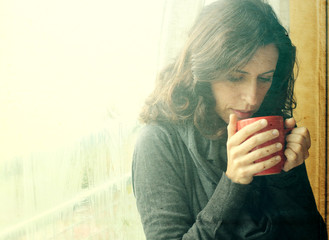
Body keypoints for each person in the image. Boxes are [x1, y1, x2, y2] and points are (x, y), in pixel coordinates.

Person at [132, 0, 328, 239]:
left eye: (265, 78)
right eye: (236, 77)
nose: (251, 99)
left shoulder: (273, 126)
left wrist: (289, 177)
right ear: (204, 74)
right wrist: (233, 183)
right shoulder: (158, 142)